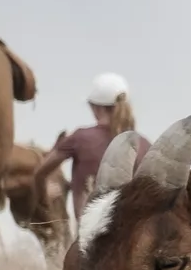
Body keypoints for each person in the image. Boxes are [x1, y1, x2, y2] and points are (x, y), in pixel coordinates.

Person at [39, 72, 139, 222]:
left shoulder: (80, 138)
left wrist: (43, 192)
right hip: (131, 237)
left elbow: (39, 173)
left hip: (90, 239)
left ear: (96, 108)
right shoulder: (143, 145)